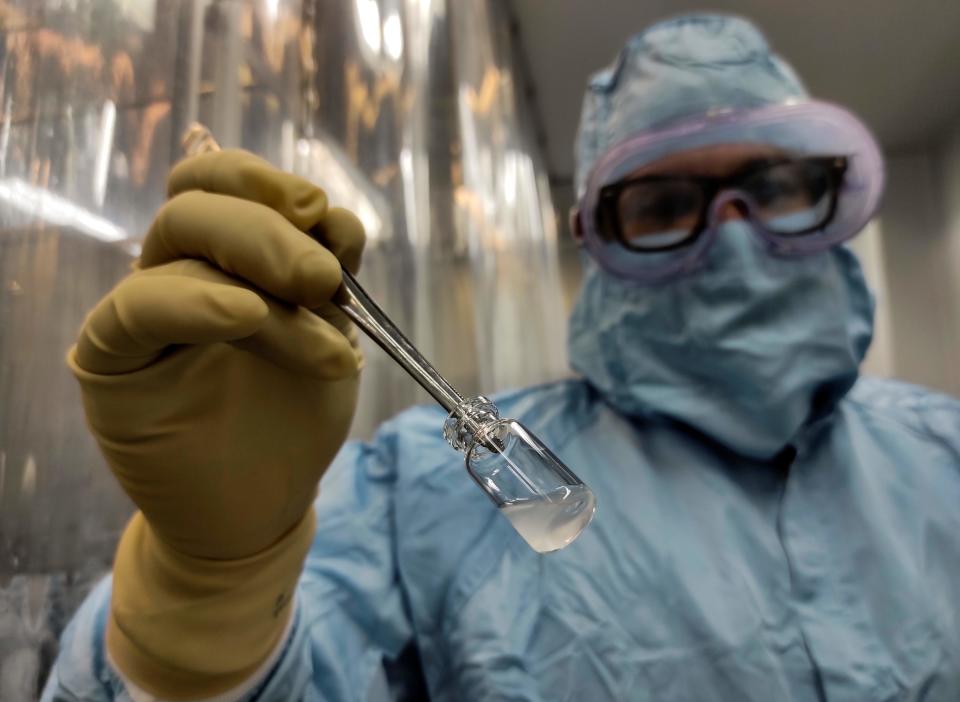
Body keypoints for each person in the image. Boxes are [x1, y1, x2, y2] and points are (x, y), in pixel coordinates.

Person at [44, 14, 960, 702]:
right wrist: (204, 598)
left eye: (777, 187)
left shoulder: (945, 455)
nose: (733, 242)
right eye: (664, 205)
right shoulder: (420, 493)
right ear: (595, 242)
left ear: (836, 197)